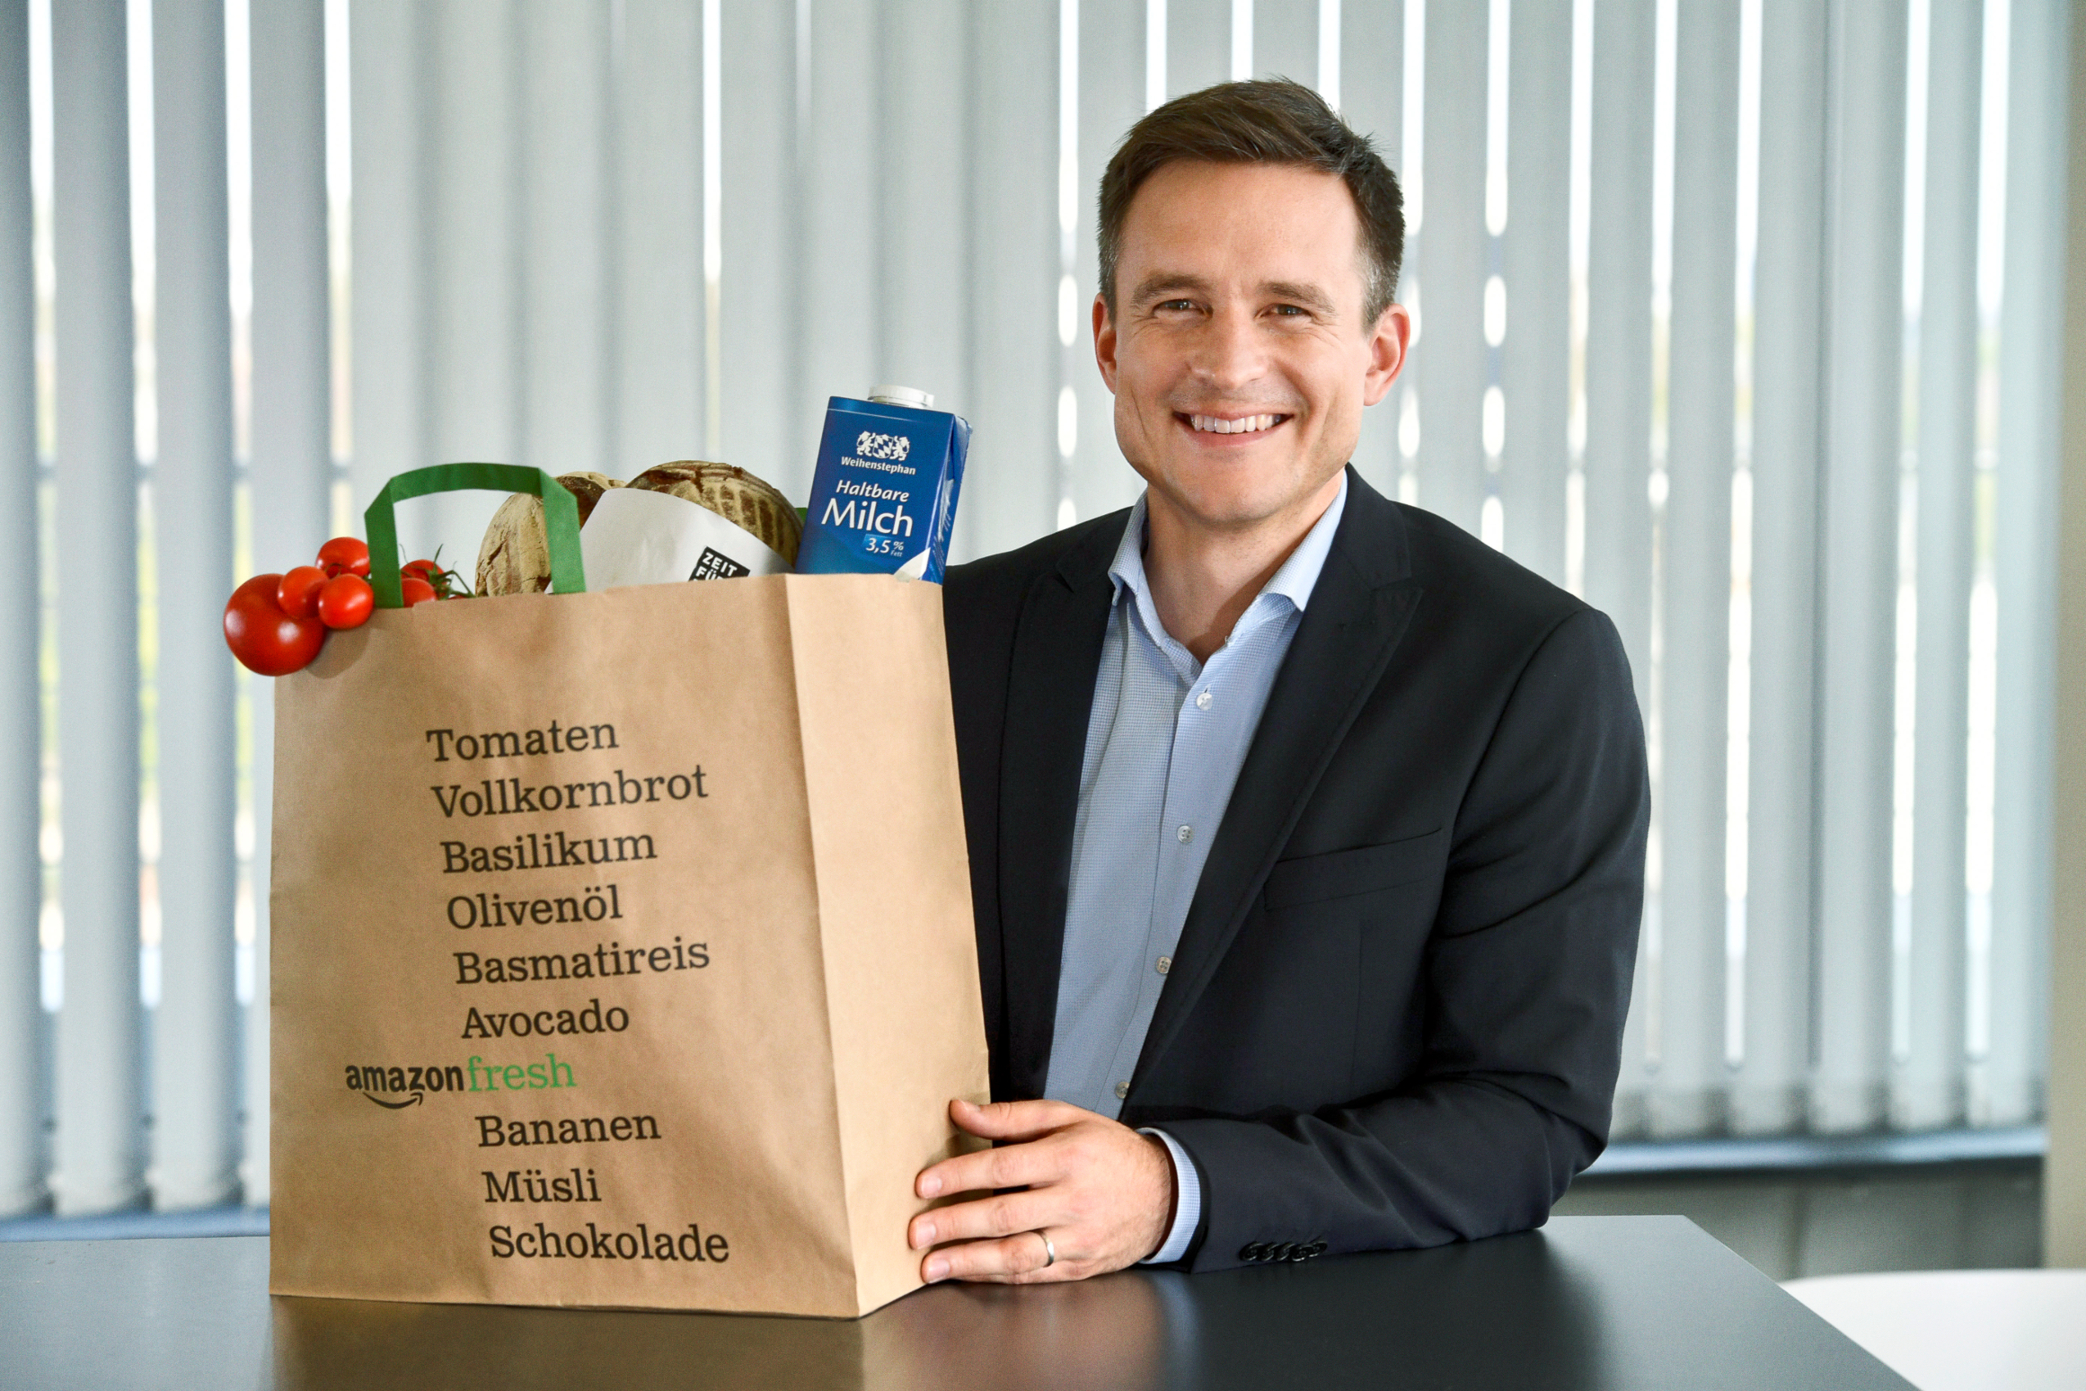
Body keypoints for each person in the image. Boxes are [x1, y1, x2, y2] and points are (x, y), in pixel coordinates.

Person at [910, 79, 1647, 1284]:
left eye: (1288, 309)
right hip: (941, 1301)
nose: (1227, 361)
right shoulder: (952, 630)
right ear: (1109, 340)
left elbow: (1524, 1117)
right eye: (1177, 304)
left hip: (1296, 1332)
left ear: (1379, 352)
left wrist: (1171, 1192)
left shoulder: (1526, 668)